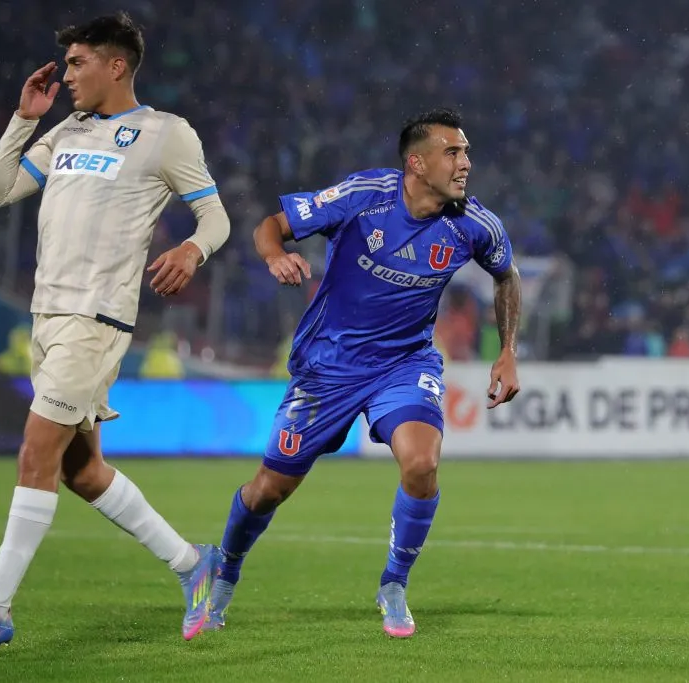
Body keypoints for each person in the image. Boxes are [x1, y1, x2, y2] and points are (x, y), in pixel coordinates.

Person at [0, 12, 230, 656]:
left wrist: (193, 252)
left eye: (76, 63)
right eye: (65, 65)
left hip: (96, 320)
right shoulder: (65, 130)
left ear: (115, 66)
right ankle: (192, 564)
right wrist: (23, 118)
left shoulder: (165, 134)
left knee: (34, 453)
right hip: (47, 318)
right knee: (81, 470)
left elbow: (216, 216)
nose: (65, 76)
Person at [204, 109, 521, 638]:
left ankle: (394, 583)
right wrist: (273, 255)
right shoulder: (362, 196)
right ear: (416, 163)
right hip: (328, 366)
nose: (465, 162)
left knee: (422, 464)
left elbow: (506, 276)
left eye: (466, 152)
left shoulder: (474, 223)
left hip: (405, 362)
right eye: (453, 152)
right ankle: (224, 570)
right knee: (268, 490)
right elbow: (271, 225)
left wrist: (508, 350)